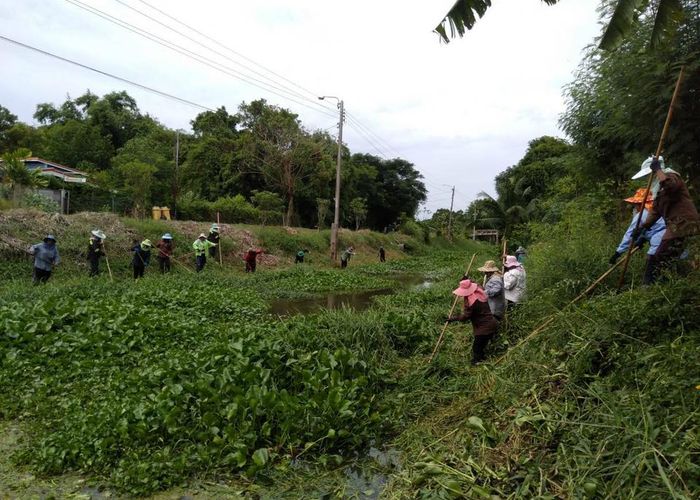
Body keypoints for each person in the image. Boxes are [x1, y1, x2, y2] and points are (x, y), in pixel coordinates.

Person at [631, 156, 699, 279]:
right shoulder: (659, 190)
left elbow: (670, 186)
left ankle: (650, 286)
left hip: (683, 223)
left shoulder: (671, 177)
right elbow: (655, 212)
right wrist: (642, 228)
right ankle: (679, 280)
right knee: (669, 256)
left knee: (659, 256)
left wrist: (658, 170)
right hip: (677, 225)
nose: (648, 179)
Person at [609, 188, 666, 285]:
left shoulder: (641, 215)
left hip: (661, 240)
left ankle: (647, 287)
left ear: (640, 204)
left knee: (651, 262)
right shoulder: (657, 210)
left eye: (635, 205)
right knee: (670, 263)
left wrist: (618, 253)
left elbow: (630, 234)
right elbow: (649, 228)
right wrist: (642, 239)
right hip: (673, 235)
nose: (634, 207)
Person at [446, 279, 499, 365]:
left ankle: (477, 362)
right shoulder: (479, 292)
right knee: (481, 345)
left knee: (477, 347)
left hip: (484, 328)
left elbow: (465, 317)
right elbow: (477, 284)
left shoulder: (471, 302)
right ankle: (482, 358)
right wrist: (467, 280)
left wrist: (453, 319)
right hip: (492, 323)